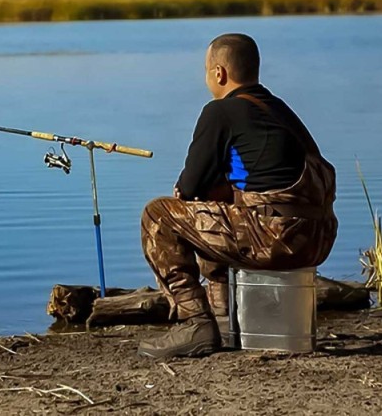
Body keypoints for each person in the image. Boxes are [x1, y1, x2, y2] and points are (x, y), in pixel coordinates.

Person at [137, 33, 338, 359]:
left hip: (275, 239)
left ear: (219, 73)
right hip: (317, 238)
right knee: (214, 202)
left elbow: (189, 186)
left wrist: (189, 193)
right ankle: (224, 315)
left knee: (159, 215)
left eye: (205, 70)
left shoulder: (220, 111)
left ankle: (196, 322)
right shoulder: (278, 109)